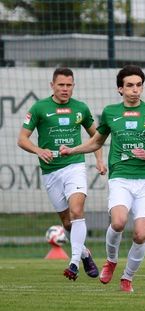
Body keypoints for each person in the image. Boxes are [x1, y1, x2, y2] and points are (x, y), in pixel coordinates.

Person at [60, 65, 145, 292]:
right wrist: (72, 150)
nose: (135, 90)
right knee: (118, 222)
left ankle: (127, 277)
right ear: (120, 89)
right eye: (129, 85)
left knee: (140, 234)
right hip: (120, 177)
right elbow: (96, 141)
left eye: (138, 85)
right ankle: (111, 261)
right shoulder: (111, 112)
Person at [17, 67, 106, 281]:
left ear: (73, 86)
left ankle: (73, 264)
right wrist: (39, 150)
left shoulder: (80, 108)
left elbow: (97, 137)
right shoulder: (39, 108)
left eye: (69, 85)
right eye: (61, 85)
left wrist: (99, 160)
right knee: (67, 223)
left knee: (77, 211)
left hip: (75, 165)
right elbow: (22, 139)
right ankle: (85, 254)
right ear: (52, 86)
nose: (65, 89)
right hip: (50, 171)